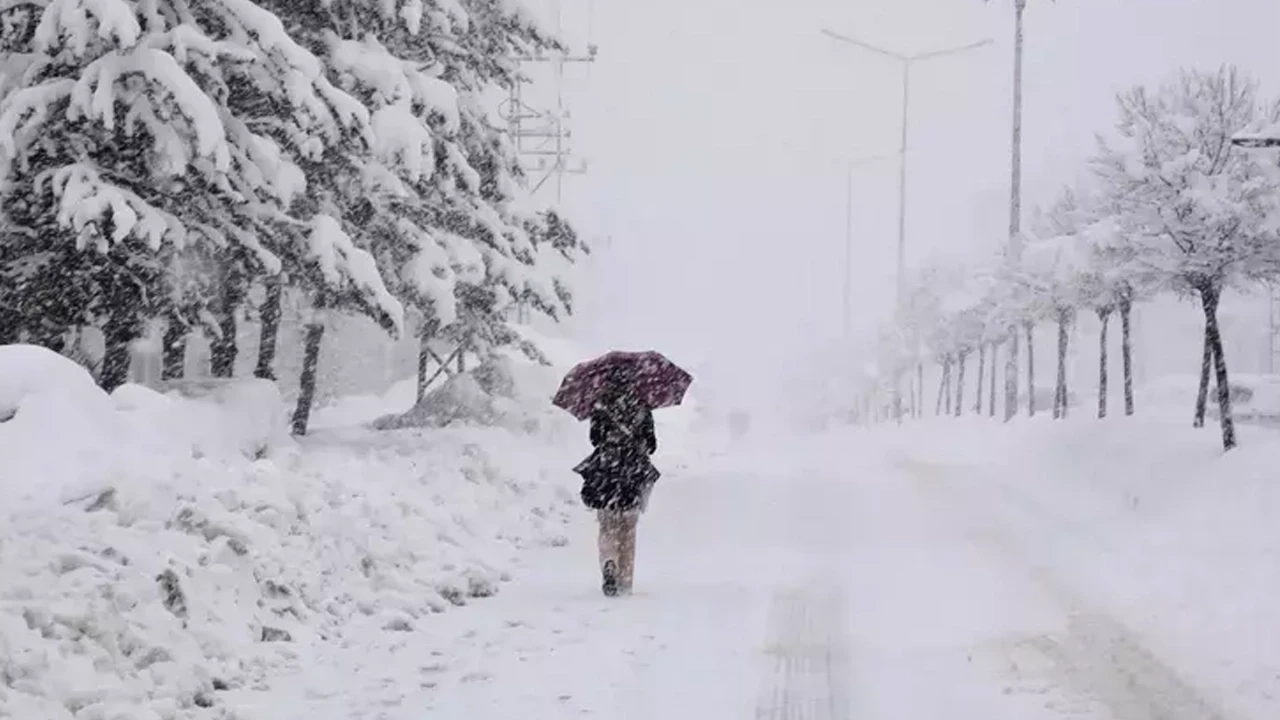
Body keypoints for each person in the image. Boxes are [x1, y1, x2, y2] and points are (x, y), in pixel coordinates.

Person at [573, 368, 659, 597]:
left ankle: (609, 562)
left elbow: (595, 440)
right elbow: (651, 444)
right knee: (628, 530)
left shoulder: (600, 407)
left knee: (607, 526)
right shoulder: (642, 407)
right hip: (632, 473)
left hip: (606, 475)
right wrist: (636, 443)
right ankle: (625, 580)